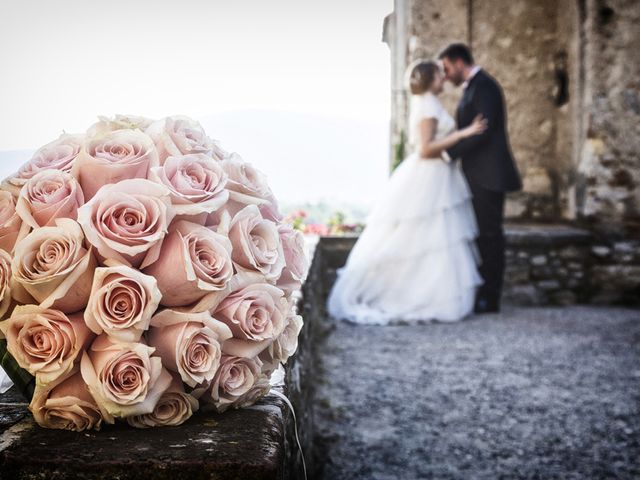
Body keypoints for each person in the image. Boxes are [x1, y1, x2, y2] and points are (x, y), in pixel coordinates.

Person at [327, 60, 484, 324]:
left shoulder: (428, 103)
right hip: (429, 175)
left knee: (436, 236)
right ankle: (414, 294)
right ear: (430, 79)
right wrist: (463, 134)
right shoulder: (428, 106)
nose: (443, 78)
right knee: (426, 234)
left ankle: (435, 293)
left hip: (439, 175)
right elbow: (425, 148)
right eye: (439, 75)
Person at [439, 43, 522, 313]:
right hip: (477, 174)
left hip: (489, 174)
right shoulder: (474, 87)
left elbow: (483, 131)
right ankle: (483, 293)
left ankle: (490, 297)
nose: (446, 73)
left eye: (447, 67)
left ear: (459, 62)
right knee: (482, 235)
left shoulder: (485, 86)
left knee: (490, 235)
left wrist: (448, 154)